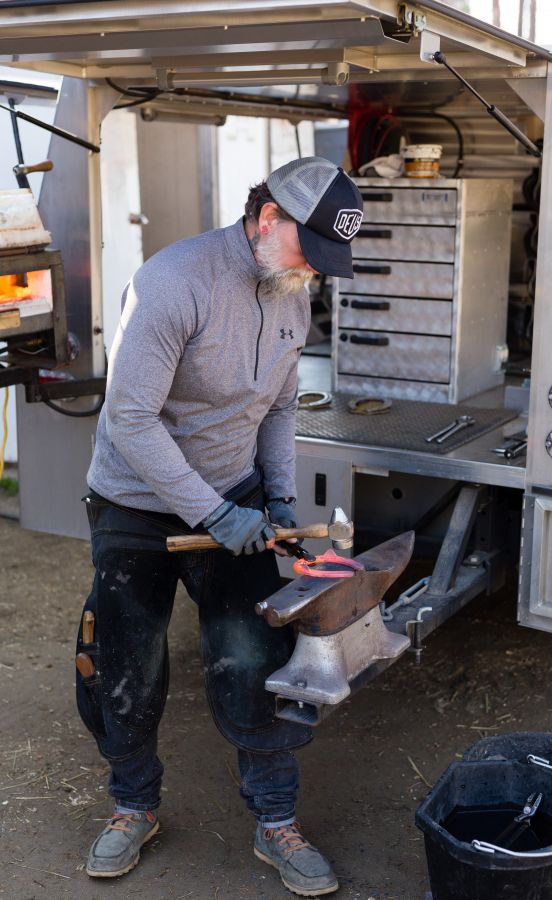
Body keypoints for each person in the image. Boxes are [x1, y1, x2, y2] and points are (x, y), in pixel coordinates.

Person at [75, 156, 363, 896]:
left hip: (237, 497)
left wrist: (277, 500)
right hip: (137, 505)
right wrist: (214, 513)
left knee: (255, 656)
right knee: (124, 666)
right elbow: (130, 418)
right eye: (311, 247)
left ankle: (275, 821)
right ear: (269, 218)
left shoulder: (292, 286)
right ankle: (133, 805)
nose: (317, 271)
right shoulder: (175, 282)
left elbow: (279, 405)